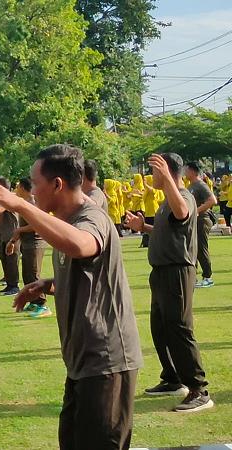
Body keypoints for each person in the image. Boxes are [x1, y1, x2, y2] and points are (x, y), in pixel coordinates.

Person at [0, 144, 143, 450]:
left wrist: (21, 206)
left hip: (105, 360)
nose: (32, 193)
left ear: (57, 184)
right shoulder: (66, 221)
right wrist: (49, 285)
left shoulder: (91, 217)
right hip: (82, 359)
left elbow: (82, 246)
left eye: (35, 185)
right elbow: (88, 270)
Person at [126, 153, 213, 413]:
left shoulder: (182, 196)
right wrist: (143, 228)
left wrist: (169, 182)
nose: (152, 177)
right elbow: (171, 230)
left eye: (156, 170)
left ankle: (199, 389)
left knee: (179, 329)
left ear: (167, 171)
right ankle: (173, 378)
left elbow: (183, 212)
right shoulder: (167, 201)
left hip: (177, 272)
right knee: (160, 327)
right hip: (162, 272)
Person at [7, 178, 51, 318]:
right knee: (27, 275)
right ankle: (34, 302)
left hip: (35, 243)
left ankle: (43, 305)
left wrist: (18, 231)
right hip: (27, 243)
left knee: (33, 274)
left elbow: (36, 225)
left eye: (17, 187)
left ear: (22, 187)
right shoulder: (25, 203)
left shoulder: (33, 203)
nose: (16, 189)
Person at [186, 162, 217, 288]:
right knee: (194, 248)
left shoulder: (200, 185)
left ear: (193, 172)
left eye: (187, 170)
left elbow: (213, 200)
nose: (185, 173)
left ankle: (207, 277)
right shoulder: (191, 185)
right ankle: (193, 276)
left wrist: (197, 211)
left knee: (201, 248)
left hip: (203, 220)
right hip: (195, 221)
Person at [0, 177, 20, 296]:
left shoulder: (10, 198)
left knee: (12, 262)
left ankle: (15, 286)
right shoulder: (4, 199)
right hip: (5, 235)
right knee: (6, 262)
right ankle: (10, 285)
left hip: (12, 235)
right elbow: (1, 219)